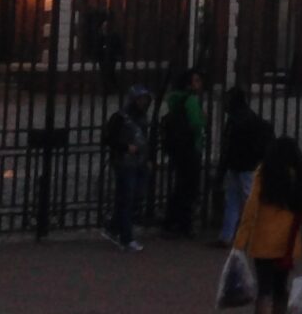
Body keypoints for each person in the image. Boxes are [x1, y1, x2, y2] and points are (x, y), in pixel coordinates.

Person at [229, 136, 302, 314]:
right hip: (288, 243)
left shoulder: (264, 174)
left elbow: (251, 209)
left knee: (264, 289)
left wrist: (239, 242)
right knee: (281, 288)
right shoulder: (298, 177)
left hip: (263, 241)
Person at [100, 85, 152, 251]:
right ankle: (126, 237)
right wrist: (125, 147)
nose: (143, 102)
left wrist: (147, 158)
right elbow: (108, 138)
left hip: (139, 162)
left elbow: (144, 139)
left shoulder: (142, 117)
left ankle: (114, 227)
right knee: (126, 198)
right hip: (124, 162)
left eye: (145, 99)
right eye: (140, 99)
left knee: (135, 197)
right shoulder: (120, 117)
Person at [217, 87, 269, 247]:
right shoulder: (250, 117)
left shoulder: (234, 120)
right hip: (248, 165)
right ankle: (249, 235)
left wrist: (222, 167)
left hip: (237, 165)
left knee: (235, 200)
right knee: (246, 200)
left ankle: (229, 235)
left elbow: (227, 146)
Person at [159, 69, 208, 237]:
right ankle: (183, 223)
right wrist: (203, 119)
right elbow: (196, 123)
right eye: (196, 81)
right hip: (191, 147)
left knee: (180, 185)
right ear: (189, 84)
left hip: (177, 148)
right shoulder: (191, 100)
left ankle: (170, 219)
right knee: (189, 187)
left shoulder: (175, 99)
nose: (199, 84)